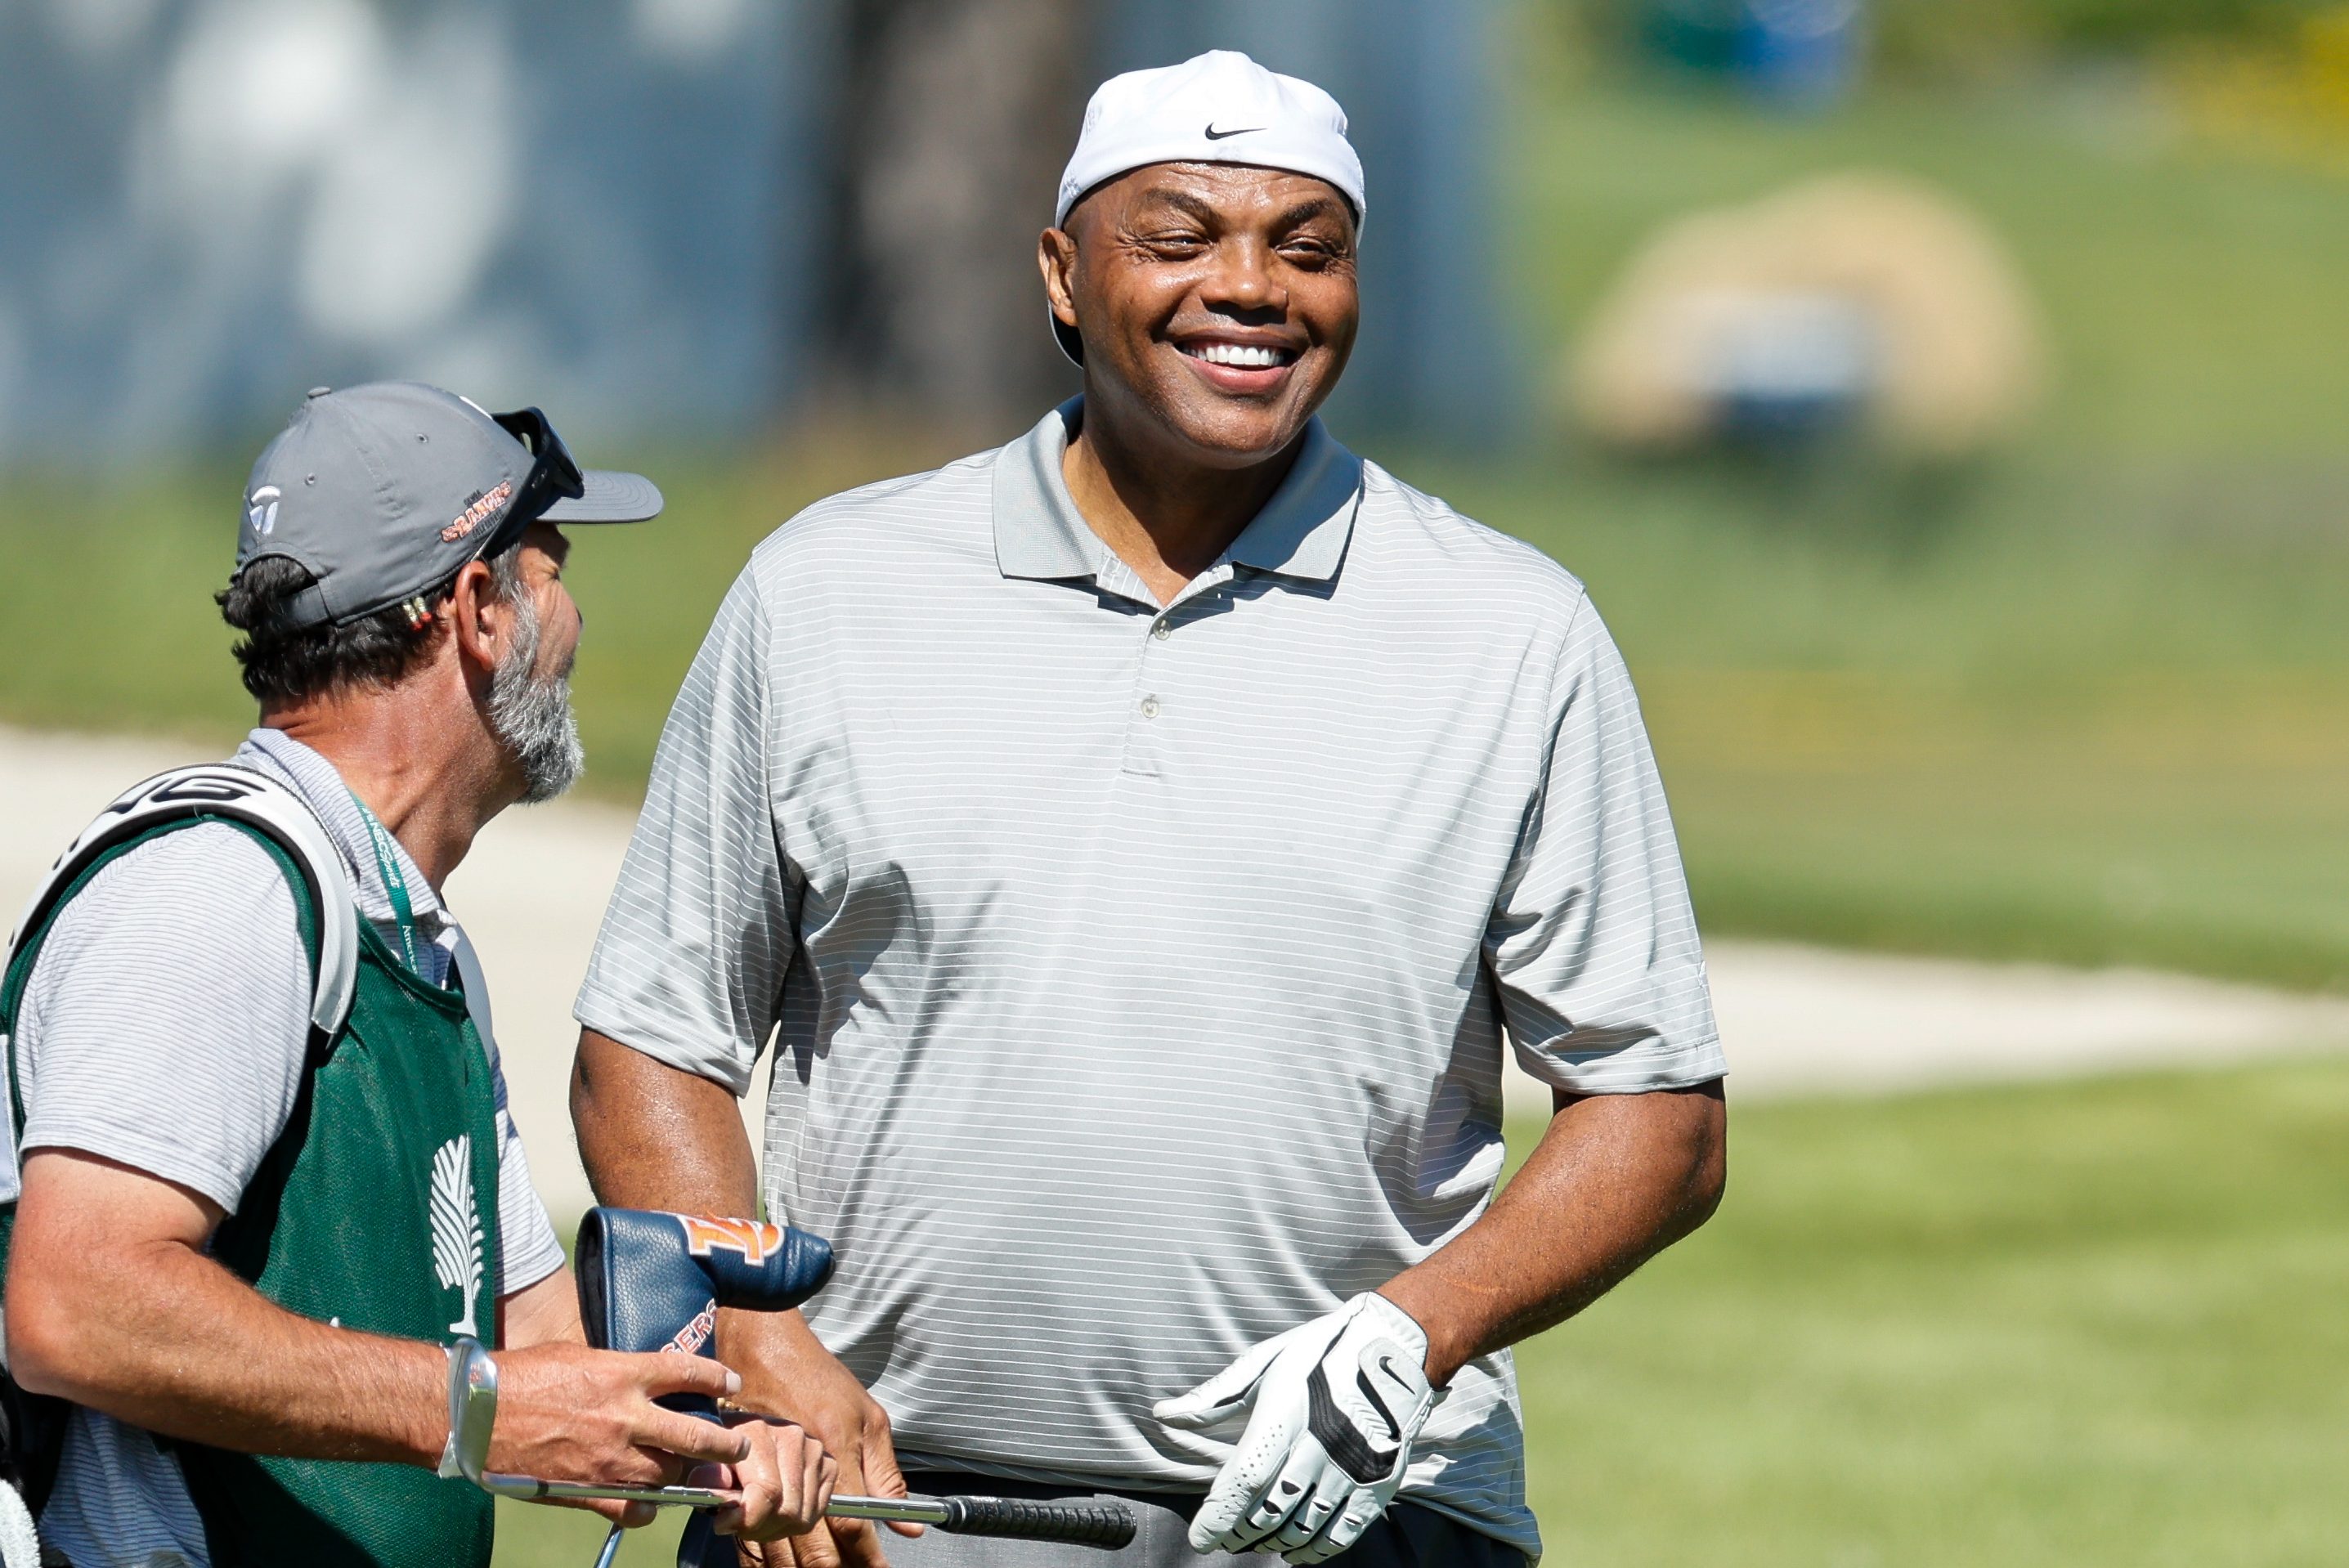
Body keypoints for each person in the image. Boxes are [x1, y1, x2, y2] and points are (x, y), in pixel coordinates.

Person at [571, 51, 1726, 1568]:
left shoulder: (1511, 630)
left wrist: (1408, 1336)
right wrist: (756, 1332)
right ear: (1061, 275)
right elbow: (651, 1042)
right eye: (1177, 239)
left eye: (1305, 249)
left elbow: (1657, 1112)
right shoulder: (829, 592)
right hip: (884, 1504)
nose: (1248, 287)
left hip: (1354, 1513)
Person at [0, 383, 833, 1568]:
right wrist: (482, 1406)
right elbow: (77, 1304)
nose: (577, 619)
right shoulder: (218, 890)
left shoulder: (412, 936)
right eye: (552, 572)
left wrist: (723, 1438)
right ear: (478, 609)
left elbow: (532, 1358)